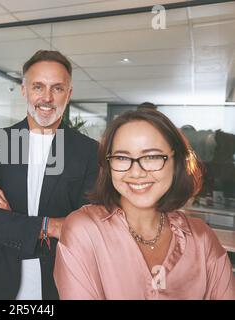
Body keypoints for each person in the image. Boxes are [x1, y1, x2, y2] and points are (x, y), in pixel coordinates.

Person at [54, 107, 235, 299]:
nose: (137, 172)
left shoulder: (202, 238)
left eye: (151, 156)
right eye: (122, 157)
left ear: (177, 161)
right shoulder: (84, 230)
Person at [0, 50, 98, 299]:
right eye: (38, 87)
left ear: (68, 94)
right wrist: (49, 225)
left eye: (57, 88)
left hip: (59, 283)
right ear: (24, 90)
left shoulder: (89, 152)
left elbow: (87, 227)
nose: (47, 98)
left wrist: (10, 219)